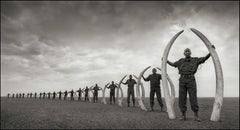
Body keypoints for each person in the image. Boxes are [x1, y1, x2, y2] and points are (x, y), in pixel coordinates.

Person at [166, 47, 214, 122]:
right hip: (182, 80)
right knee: (182, 98)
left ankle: (196, 116)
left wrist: (211, 52)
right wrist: (166, 61)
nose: (187, 52)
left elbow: (204, 58)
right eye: (186, 51)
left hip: (191, 80)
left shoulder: (195, 60)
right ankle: (183, 115)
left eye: (188, 51)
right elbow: (173, 64)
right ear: (184, 53)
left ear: (190, 53)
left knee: (193, 97)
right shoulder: (180, 61)